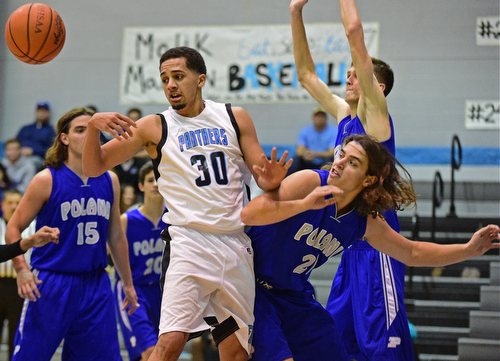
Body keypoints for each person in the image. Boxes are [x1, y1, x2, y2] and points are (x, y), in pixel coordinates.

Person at [81, 46, 291, 361]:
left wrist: (273, 178)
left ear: (200, 79)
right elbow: (93, 168)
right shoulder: (155, 126)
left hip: (235, 244)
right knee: (170, 343)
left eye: (178, 76)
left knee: (235, 352)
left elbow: (264, 180)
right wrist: (94, 126)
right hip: (189, 243)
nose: (170, 85)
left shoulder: (235, 117)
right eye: (165, 78)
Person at [241, 134, 500, 361]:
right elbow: (250, 214)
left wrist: (469, 249)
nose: (340, 162)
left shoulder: (364, 220)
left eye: (352, 163)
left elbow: (412, 252)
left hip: (293, 296)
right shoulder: (310, 181)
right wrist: (305, 204)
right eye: (341, 155)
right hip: (252, 287)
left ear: (368, 180)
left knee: (331, 351)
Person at [291, 0, 409, 359]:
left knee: (383, 346)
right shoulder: (344, 117)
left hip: (378, 242)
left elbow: (354, 33)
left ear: (379, 86)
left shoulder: (376, 118)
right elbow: (306, 75)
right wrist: (296, 12)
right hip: (348, 241)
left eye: (355, 73)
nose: (348, 77)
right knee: (339, 342)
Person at [5, 107, 139, 361]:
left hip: (96, 284)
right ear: (64, 138)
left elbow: (117, 236)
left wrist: (128, 283)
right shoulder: (46, 179)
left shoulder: (110, 180)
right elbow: (13, 228)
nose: (89, 135)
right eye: (80, 130)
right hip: (51, 283)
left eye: (93, 130)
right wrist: (21, 269)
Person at [114, 162, 167, 361]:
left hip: (165, 293)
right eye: (150, 180)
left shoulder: (174, 218)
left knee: (166, 352)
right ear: (141, 186)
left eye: (159, 180)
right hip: (134, 291)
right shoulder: (126, 220)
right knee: (148, 352)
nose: (155, 184)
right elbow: (105, 252)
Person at [0, 189, 58, 360]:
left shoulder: (34, 226)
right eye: (9, 202)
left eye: (17, 203)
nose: (13, 206)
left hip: (22, 287)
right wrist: (27, 243)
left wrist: (28, 242)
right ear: (2, 205)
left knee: (18, 337)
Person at [290, 107, 337, 173]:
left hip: (325, 161)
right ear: (313, 118)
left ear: (326, 118)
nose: (319, 118)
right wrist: (306, 155)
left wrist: (314, 154)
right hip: (308, 161)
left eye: (322, 116)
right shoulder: (304, 131)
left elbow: (332, 153)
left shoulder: (334, 131)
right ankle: (289, 181)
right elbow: (299, 151)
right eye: (317, 116)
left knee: (331, 161)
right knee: (295, 160)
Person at [16, 101, 56, 170]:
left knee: (29, 164)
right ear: (36, 112)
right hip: (20, 156)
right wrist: (20, 150)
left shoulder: (50, 131)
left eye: (44, 111)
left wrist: (33, 151)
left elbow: (51, 150)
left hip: (38, 158)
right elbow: (15, 142)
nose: (41, 114)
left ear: (48, 113)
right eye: (39, 111)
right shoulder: (26, 128)